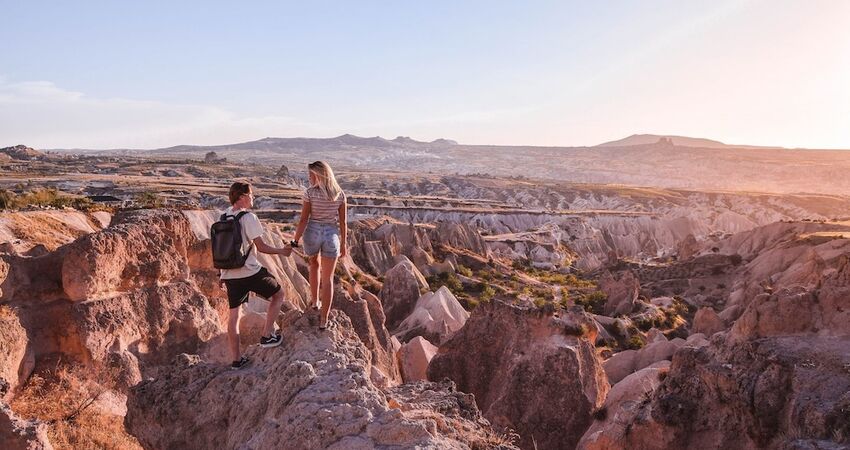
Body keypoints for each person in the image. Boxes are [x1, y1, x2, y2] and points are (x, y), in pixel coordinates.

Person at [219, 181, 292, 369]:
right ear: (242, 197)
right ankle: (267, 335)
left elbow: (220, 249)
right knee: (278, 295)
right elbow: (262, 247)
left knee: (234, 315)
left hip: (229, 274)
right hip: (249, 271)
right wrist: (282, 251)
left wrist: (221, 274)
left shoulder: (223, 216)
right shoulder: (248, 217)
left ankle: (236, 360)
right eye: (251, 195)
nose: (253, 198)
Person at [291, 161, 347, 330]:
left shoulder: (309, 193)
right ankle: (324, 319)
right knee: (328, 279)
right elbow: (343, 223)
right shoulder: (339, 194)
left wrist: (295, 239)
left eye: (311, 175)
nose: (309, 178)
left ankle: (315, 301)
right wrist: (344, 244)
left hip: (312, 233)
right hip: (331, 235)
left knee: (314, 265)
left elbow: (303, 220)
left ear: (318, 175)